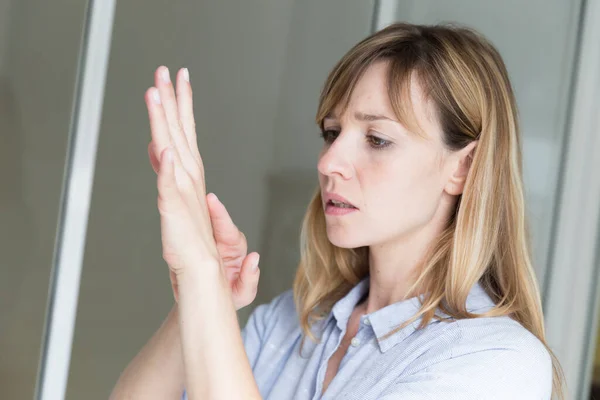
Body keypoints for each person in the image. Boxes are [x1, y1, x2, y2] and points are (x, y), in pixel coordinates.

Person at [110, 22, 565, 399]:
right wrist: (202, 294)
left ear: (463, 168)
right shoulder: (287, 323)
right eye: (332, 133)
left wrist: (202, 272)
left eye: (377, 140)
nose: (328, 163)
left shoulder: (498, 363)